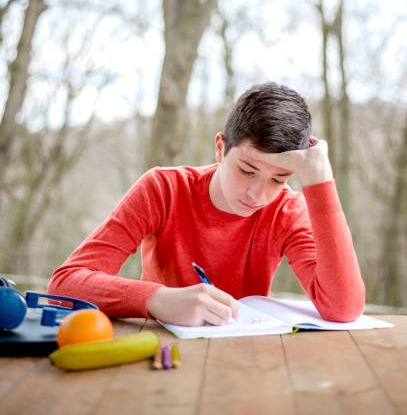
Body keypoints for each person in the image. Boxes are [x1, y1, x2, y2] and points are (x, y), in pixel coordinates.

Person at [48, 82, 365, 326]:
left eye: (278, 179)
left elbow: (343, 307)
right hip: (159, 348)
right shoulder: (163, 189)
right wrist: (157, 299)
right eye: (246, 170)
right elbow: (65, 283)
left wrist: (320, 182)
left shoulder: (287, 211)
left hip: (245, 355)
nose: (257, 194)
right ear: (220, 148)